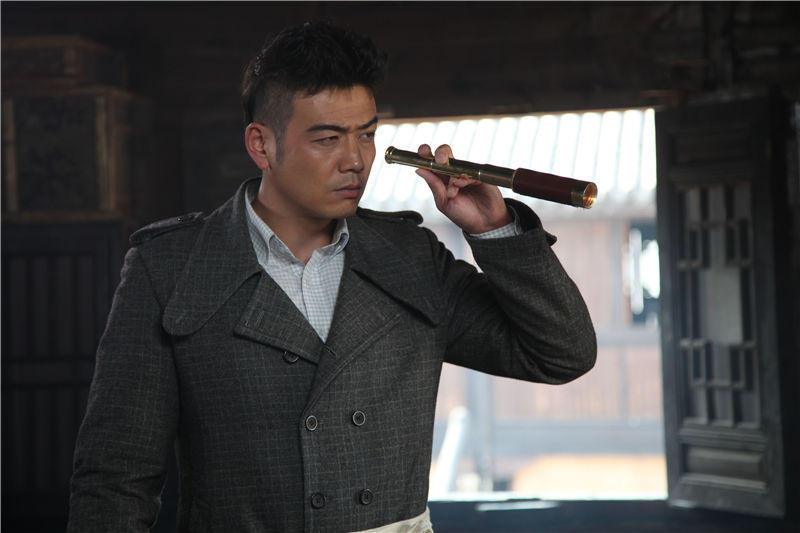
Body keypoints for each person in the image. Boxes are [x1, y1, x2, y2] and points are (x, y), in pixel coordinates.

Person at [68, 21, 596, 533]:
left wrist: (495, 231)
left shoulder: (410, 258)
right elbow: (115, 481)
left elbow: (560, 354)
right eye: (327, 139)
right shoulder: (170, 267)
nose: (356, 161)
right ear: (261, 145)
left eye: (367, 135)